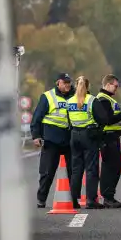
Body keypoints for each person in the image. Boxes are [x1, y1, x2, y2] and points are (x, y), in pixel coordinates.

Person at [30, 72, 74, 208]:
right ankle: (41, 199)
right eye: (64, 82)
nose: (67, 85)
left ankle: (74, 200)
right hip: (51, 140)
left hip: (70, 139)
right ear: (58, 83)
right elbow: (37, 117)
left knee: (74, 172)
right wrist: (36, 136)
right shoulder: (48, 97)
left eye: (69, 82)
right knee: (47, 172)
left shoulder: (76, 96)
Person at [93, 74, 121, 208]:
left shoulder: (108, 99)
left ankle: (109, 196)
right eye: (115, 86)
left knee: (114, 168)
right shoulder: (103, 100)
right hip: (108, 137)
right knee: (110, 168)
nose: (117, 89)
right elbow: (109, 119)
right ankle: (107, 197)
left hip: (112, 137)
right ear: (108, 84)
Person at [67, 76, 102, 209]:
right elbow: (102, 118)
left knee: (76, 170)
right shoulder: (92, 100)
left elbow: (68, 120)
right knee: (91, 169)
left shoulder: (70, 101)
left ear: (76, 86)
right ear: (88, 86)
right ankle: (91, 200)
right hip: (89, 136)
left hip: (74, 135)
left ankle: (73, 200)